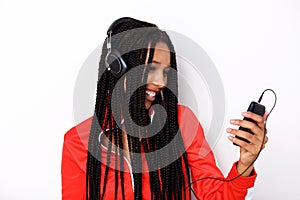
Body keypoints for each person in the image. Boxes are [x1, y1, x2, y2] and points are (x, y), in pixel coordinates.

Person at [61, 17, 268, 200]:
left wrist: (245, 164)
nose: (161, 82)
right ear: (119, 67)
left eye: (166, 72)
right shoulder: (76, 142)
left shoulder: (181, 121)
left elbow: (216, 195)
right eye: (151, 69)